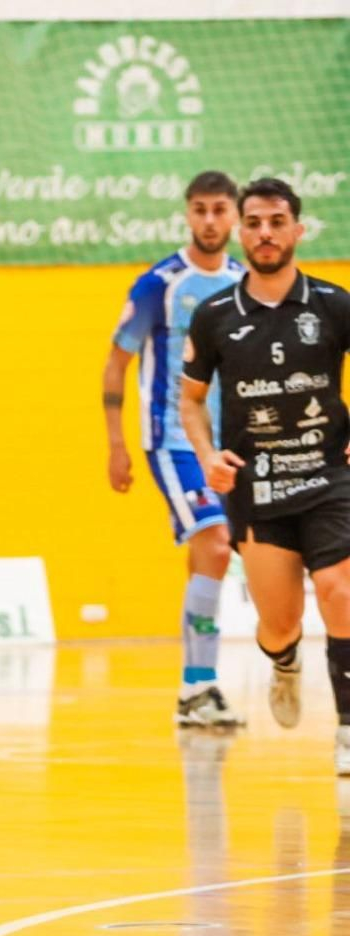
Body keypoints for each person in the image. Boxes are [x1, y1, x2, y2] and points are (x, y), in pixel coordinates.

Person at [182, 177, 350, 771]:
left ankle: (347, 729)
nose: (265, 233)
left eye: (277, 222)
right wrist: (208, 455)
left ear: (297, 230)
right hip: (258, 487)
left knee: (340, 592)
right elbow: (191, 401)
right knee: (280, 625)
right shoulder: (214, 316)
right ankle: (284, 663)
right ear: (240, 230)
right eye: (253, 222)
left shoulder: (334, 304)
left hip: (328, 477)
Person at [103, 171, 245, 727]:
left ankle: (194, 689)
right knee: (215, 542)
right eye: (200, 210)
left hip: (229, 443)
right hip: (172, 440)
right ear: (188, 214)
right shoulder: (158, 284)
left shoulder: (243, 281)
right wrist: (117, 444)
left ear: (234, 215)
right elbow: (117, 362)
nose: (209, 220)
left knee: (213, 554)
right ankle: (198, 686)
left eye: (219, 210)